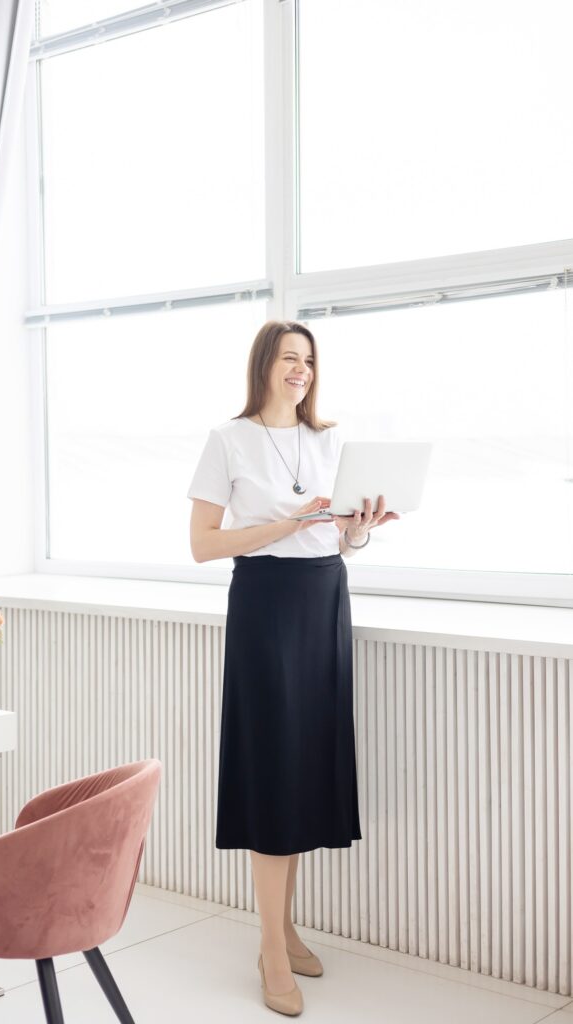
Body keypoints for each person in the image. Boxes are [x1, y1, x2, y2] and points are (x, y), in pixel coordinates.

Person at [187, 319, 400, 1016]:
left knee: (305, 765)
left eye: (308, 359)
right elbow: (203, 545)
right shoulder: (229, 439)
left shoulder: (329, 439)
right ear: (264, 366)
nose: (300, 369)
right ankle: (270, 948)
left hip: (324, 599)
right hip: (267, 603)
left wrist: (359, 528)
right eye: (288, 358)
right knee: (273, 767)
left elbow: (338, 535)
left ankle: (282, 929)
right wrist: (286, 524)